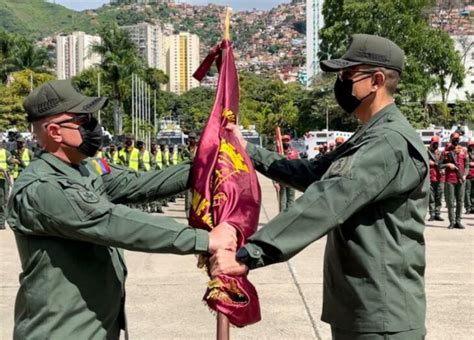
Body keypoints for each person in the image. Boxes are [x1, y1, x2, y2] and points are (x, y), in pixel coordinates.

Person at [211, 34, 429, 339]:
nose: (341, 83)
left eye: (348, 75)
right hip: (359, 307)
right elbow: (313, 174)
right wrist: (247, 149)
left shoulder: (388, 142)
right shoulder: (370, 135)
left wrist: (249, 255)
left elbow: (327, 200)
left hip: (381, 315)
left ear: (377, 80)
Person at [7, 80, 237, 339]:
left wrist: (209, 161)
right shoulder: (43, 188)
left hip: (98, 328)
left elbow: (143, 184)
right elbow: (114, 222)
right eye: (83, 121)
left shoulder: (86, 169)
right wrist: (204, 240)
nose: (94, 127)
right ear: (54, 131)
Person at [442, 132, 469, 229]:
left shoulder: (463, 150)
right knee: (450, 201)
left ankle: (458, 221)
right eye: (454, 138)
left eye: (458, 138)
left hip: (461, 179)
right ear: (451, 139)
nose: (456, 140)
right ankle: (452, 221)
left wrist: (465, 175)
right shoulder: (446, 151)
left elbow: (467, 165)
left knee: (460, 200)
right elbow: (439, 164)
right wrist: (448, 165)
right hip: (450, 179)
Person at [273, 134, 299, 212]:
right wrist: (275, 182)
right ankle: (282, 218)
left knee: (291, 201)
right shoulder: (278, 153)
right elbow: (273, 168)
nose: (286, 142)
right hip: (282, 180)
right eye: (284, 141)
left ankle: (289, 217)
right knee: (282, 202)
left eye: (287, 140)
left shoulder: (294, 153)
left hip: (292, 180)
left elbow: (298, 166)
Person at [427, 135, 445, 221]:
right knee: (431, 197)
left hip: (439, 177)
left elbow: (444, 163)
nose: (435, 145)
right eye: (434, 143)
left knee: (439, 196)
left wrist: (443, 169)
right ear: (431, 143)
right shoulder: (426, 152)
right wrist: (428, 162)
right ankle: (432, 214)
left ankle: (438, 213)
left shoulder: (440, 153)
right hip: (430, 177)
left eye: (437, 143)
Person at [0, 140, 13, 230]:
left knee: (3, 202)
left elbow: (11, 164)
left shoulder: (6, 153)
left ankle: (1, 223)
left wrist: (7, 170)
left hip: (3, 180)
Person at [464, 139, 474, 214]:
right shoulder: (465, 153)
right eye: (470, 145)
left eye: (472, 145)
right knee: (467, 192)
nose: (472, 147)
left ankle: (473, 207)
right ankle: (468, 207)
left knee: (473, 192)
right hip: (468, 176)